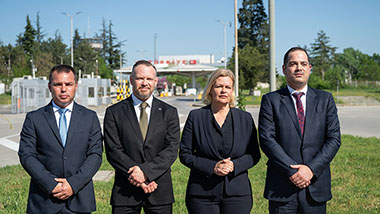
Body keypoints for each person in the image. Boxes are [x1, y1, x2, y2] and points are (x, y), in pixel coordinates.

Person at [259, 47, 341, 213]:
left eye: (303, 63)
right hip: (282, 187)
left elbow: (333, 139)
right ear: (284, 69)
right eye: (293, 64)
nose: (299, 68)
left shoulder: (325, 99)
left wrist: (311, 170)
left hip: (315, 186)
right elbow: (267, 139)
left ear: (309, 68)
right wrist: (292, 171)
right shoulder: (271, 100)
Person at [18, 65, 103, 213]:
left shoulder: (90, 118)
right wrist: (51, 184)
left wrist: (73, 184)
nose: (64, 89)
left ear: (76, 86)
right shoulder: (34, 118)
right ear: (50, 87)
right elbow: (26, 155)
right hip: (44, 200)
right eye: (58, 84)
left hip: (79, 199)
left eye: (68, 84)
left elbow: (95, 155)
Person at [179, 69, 261, 214]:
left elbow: (254, 154)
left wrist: (234, 165)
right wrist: (212, 167)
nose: (223, 91)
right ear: (210, 89)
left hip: (237, 193)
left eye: (228, 87)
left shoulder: (245, 118)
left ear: (232, 91)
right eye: (219, 86)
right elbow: (185, 154)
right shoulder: (196, 117)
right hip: (202, 193)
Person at [104, 60, 180, 214]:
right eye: (140, 78)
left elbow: (171, 150)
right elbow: (113, 150)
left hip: (159, 189)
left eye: (149, 79)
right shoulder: (114, 112)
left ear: (155, 81)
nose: (145, 83)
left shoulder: (169, 112)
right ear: (131, 80)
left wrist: (146, 173)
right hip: (125, 190)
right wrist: (136, 176)